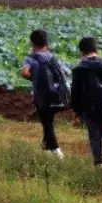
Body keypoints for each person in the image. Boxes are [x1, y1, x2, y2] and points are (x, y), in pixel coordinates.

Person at [69, 37, 102, 172]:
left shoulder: (79, 69)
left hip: (89, 108)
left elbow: (75, 92)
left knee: (94, 135)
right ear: (96, 50)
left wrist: (76, 110)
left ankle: (100, 163)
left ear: (81, 52)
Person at [20, 29, 67, 159]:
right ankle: (45, 150)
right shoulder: (52, 57)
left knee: (47, 124)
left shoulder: (31, 58)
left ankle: (57, 151)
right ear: (46, 43)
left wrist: (34, 77)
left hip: (41, 96)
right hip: (56, 95)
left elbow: (24, 73)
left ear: (32, 44)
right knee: (49, 121)